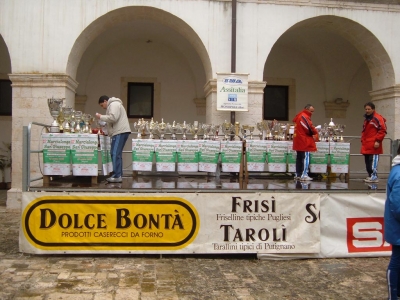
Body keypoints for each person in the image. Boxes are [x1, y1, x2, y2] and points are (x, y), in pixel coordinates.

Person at [96, 95, 131, 183]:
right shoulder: (115, 104)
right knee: (116, 153)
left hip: (119, 132)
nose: (102, 107)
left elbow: (113, 118)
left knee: (115, 153)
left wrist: (101, 117)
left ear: (105, 101)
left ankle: (117, 175)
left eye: (102, 105)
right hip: (120, 131)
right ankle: (118, 174)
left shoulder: (114, 104)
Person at [384, 145, 400, 299]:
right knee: (396, 261)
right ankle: (393, 295)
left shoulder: (396, 170)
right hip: (398, 227)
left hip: (396, 226)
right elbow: (398, 205)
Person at [361, 102, 386, 183]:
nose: (367, 111)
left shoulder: (378, 118)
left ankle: (374, 176)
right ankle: (370, 175)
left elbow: (382, 130)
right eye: (366, 109)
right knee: (367, 162)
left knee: (373, 161)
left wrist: (378, 141)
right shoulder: (367, 119)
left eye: (369, 109)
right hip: (367, 144)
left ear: (373, 109)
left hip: (374, 144)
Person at [292, 104, 319, 181]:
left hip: (298, 139)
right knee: (305, 157)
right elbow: (309, 128)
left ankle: (298, 174)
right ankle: (304, 174)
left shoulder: (299, 116)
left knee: (299, 158)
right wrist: (315, 132)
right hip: (304, 140)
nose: (312, 113)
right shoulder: (304, 116)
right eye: (311, 111)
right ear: (306, 109)